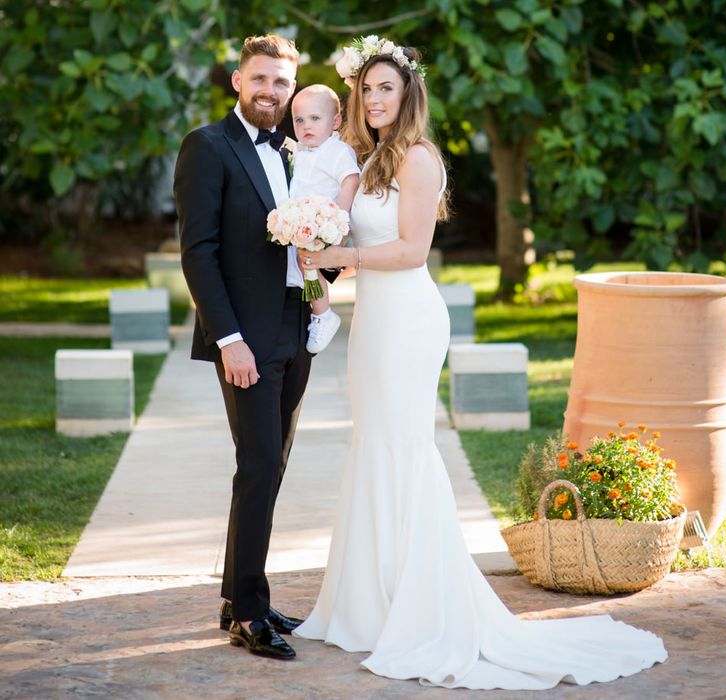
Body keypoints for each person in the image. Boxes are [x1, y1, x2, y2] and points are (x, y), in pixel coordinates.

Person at [295, 37, 669, 690]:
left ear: (409, 95)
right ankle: (366, 604)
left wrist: (342, 259)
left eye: (386, 88)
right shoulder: (372, 157)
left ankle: (420, 607)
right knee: (374, 445)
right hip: (374, 321)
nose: (374, 98)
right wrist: (315, 250)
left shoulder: (417, 158)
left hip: (409, 319)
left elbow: (412, 253)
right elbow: (357, 239)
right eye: (367, 89)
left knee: (403, 448)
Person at [174, 34, 327, 662]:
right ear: (238, 81)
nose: (270, 92)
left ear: (292, 91)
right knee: (259, 464)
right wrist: (228, 340)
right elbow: (198, 253)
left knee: (271, 466)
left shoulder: (298, 154)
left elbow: (307, 239)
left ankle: (241, 597)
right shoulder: (207, 147)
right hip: (246, 339)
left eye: (282, 84)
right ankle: (248, 613)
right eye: (260, 79)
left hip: (295, 332)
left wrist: (324, 278)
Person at [289, 84, 360, 354]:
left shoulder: (337, 151)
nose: (306, 125)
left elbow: (350, 180)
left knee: (310, 265)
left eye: (315, 118)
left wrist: (337, 221)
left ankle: (323, 315)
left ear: (336, 121)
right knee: (305, 268)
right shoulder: (301, 150)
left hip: (328, 223)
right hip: (306, 222)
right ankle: (317, 310)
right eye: (299, 120)